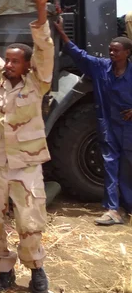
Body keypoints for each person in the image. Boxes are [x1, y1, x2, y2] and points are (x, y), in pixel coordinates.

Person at [0, 0, 52, 293]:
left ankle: (36, 270)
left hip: (27, 165)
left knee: (30, 223)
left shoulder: (38, 83)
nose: (7, 64)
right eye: (6, 60)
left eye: (14, 61)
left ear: (27, 65)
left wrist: (41, 8)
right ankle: (4, 269)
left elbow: (44, 47)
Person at [55, 19, 132, 225]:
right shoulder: (101, 68)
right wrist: (62, 33)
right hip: (108, 125)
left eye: (116, 51)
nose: (112, 54)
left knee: (126, 168)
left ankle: (127, 207)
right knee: (109, 165)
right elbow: (78, 54)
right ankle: (113, 209)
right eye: (110, 50)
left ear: (127, 53)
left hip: (128, 128)